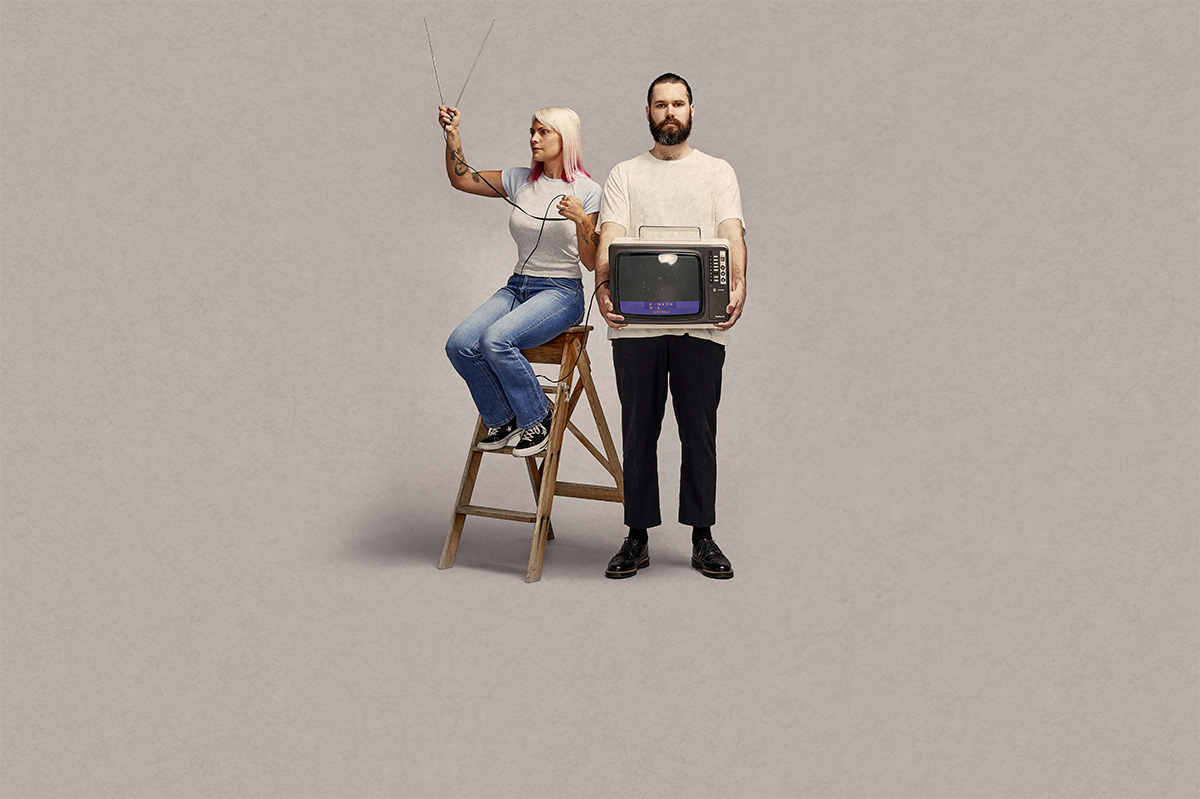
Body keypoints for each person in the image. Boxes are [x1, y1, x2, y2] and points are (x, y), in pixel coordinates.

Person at [594, 73, 747, 580]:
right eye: (660, 105)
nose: (669, 113)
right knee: (639, 431)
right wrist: (602, 287)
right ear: (648, 113)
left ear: (692, 109)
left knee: (699, 431)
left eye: (677, 103)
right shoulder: (624, 174)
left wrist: (739, 281)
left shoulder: (718, 171)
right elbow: (609, 237)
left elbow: (731, 231)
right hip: (634, 326)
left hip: (701, 326)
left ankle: (702, 536)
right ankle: (636, 536)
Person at [439, 104, 602, 457]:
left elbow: (590, 262)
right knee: (460, 344)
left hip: (561, 291)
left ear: (565, 138)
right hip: (519, 286)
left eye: (544, 132)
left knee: (496, 340)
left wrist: (581, 221)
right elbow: (461, 178)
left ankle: (539, 417)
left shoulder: (588, 191)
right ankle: (505, 417)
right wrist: (453, 136)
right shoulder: (519, 181)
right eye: (532, 131)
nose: (534, 138)